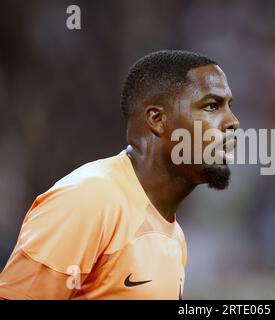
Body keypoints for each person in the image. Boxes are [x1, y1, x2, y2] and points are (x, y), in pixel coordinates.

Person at [0, 50, 239, 299]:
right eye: (212, 106)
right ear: (157, 120)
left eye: (229, 107)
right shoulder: (90, 199)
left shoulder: (174, 237)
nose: (233, 122)